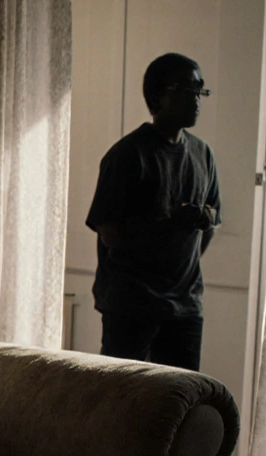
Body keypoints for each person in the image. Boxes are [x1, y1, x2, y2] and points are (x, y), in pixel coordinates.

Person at [85, 52, 221, 372]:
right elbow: (110, 234)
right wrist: (170, 226)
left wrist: (198, 222)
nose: (197, 98)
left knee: (181, 403)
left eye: (200, 89)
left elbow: (210, 223)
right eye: (185, 88)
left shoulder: (203, 154)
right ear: (157, 96)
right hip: (132, 306)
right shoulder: (128, 155)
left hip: (186, 307)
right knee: (123, 400)